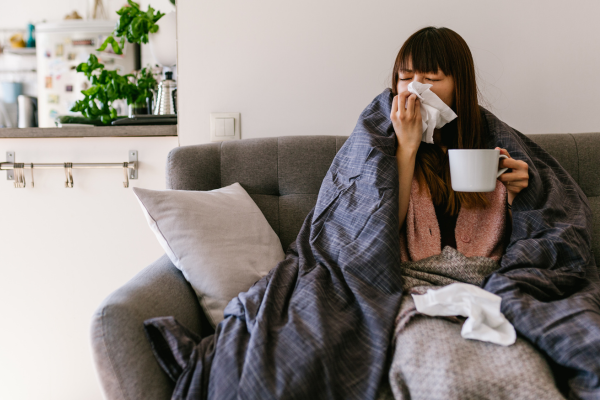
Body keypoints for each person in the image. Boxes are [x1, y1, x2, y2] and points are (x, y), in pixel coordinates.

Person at [389, 26, 529, 245]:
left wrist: (514, 197)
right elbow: (378, 233)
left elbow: (523, 242)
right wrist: (406, 147)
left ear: (459, 85)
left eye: (431, 78)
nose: (414, 90)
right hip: (413, 276)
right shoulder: (381, 145)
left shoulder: (493, 141)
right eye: (405, 77)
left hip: (486, 274)